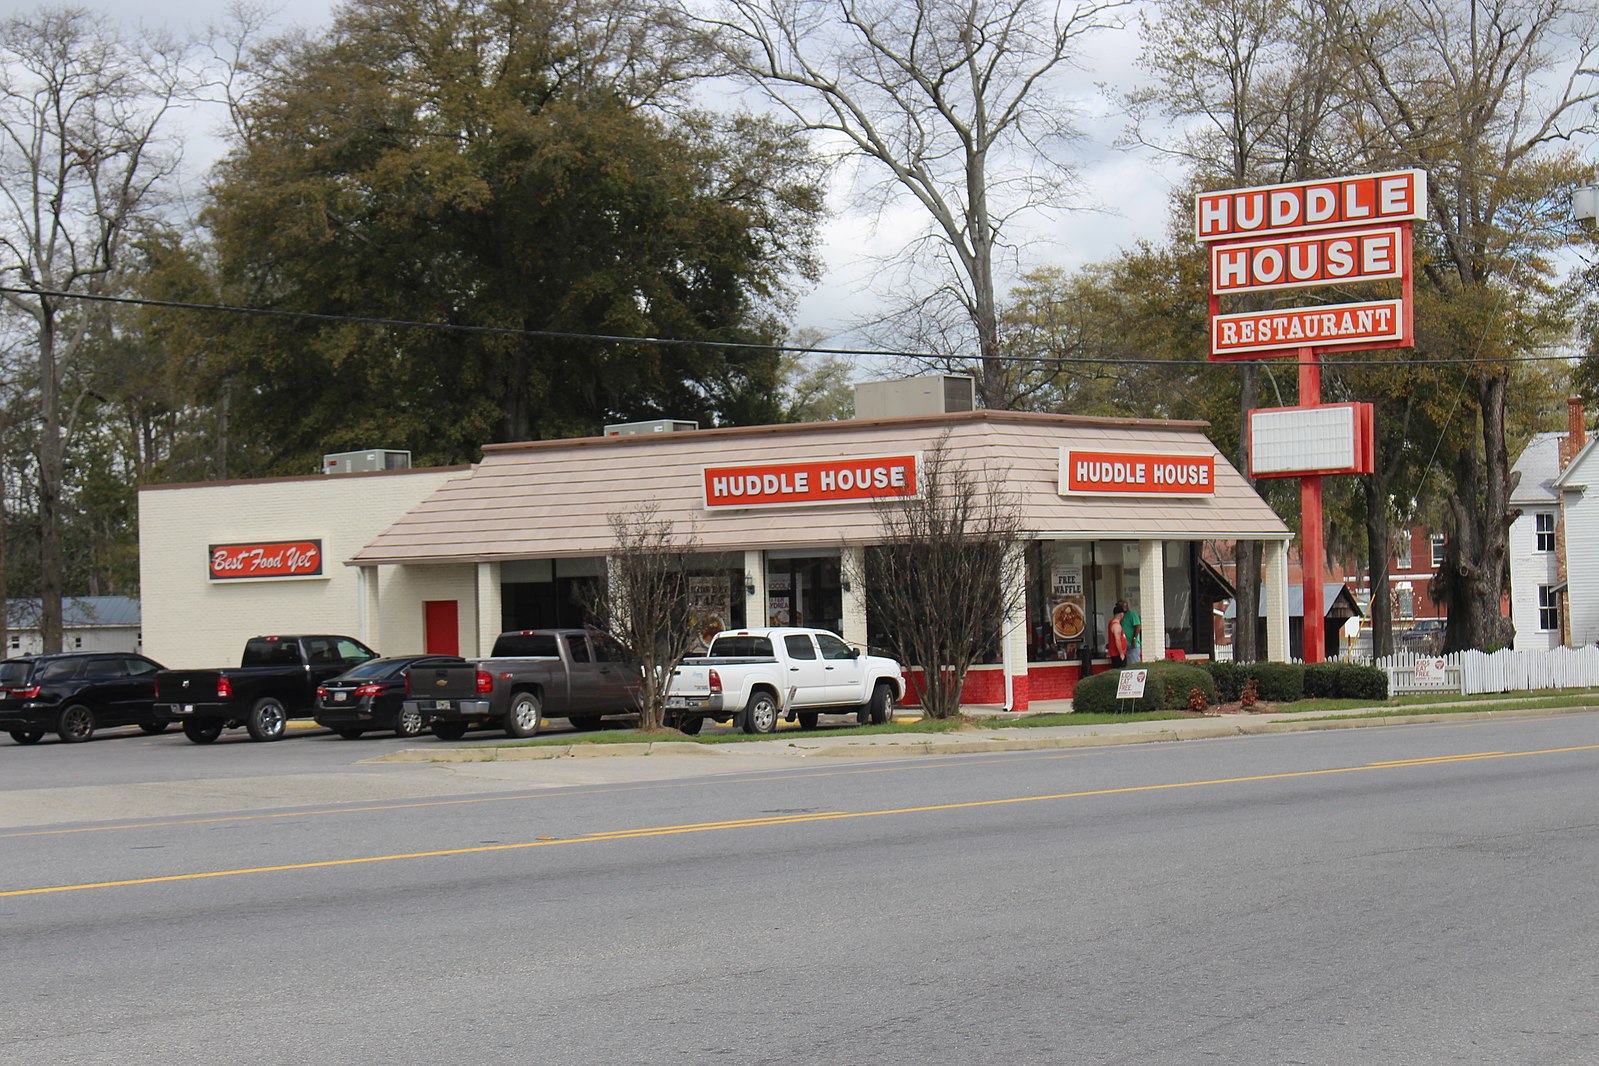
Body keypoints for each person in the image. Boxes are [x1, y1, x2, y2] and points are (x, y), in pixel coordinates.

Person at [1107, 601, 1128, 668]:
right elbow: (1117, 640)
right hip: (1117, 654)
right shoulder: (1116, 625)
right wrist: (1121, 653)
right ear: (1121, 614)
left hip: (1116, 653)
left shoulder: (1112, 623)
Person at [1123, 597, 1143, 664]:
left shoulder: (1132, 614)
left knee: (1134, 665)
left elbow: (1138, 626)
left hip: (1133, 645)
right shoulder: (1121, 616)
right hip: (1124, 646)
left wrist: (1134, 638)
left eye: (1125, 605)